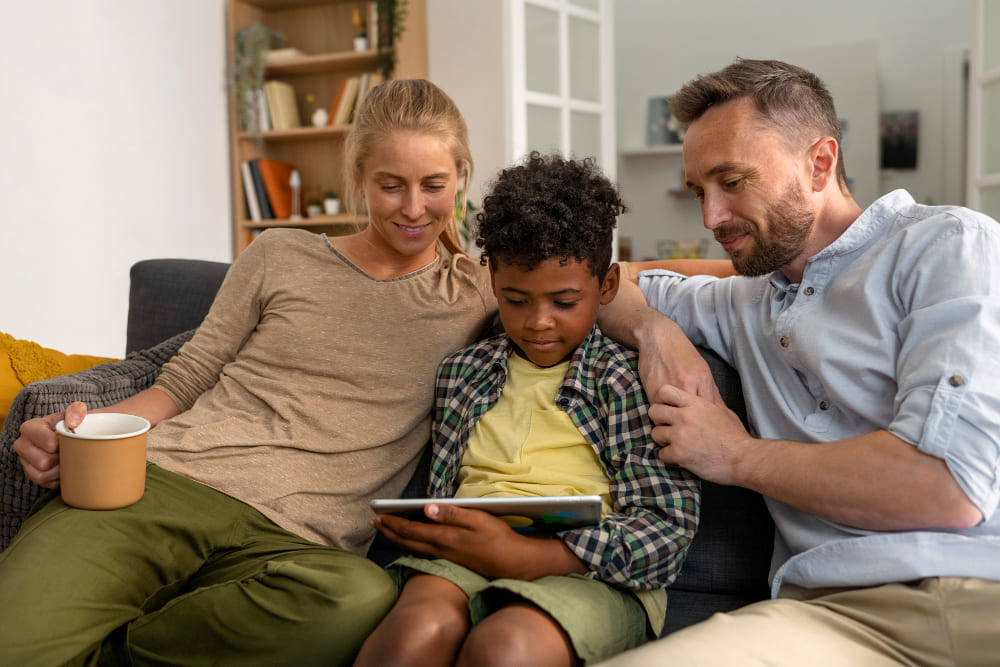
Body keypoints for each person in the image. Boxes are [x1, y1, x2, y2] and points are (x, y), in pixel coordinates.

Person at [0, 79, 500, 666]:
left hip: (300, 547)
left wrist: (644, 331)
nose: (414, 207)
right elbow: (183, 381)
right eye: (391, 185)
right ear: (360, 178)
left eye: (433, 185)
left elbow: (603, 281)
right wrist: (83, 430)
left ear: (462, 178)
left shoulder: (481, 288)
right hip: (162, 485)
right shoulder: (280, 253)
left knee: (356, 597)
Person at [597, 58, 1000, 666]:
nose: (710, 218)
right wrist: (656, 331)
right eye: (699, 191)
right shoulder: (740, 302)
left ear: (819, 163)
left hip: (982, 591)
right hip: (833, 617)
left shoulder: (946, 246)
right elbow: (592, 284)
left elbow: (946, 487)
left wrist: (734, 455)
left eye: (732, 182)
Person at [354, 152, 700, 667]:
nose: (539, 322)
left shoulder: (623, 380)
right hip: (465, 554)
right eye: (516, 300)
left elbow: (667, 527)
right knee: (417, 632)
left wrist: (534, 556)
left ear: (606, 287)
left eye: (563, 302)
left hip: (589, 570)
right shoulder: (461, 373)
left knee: (506, 647)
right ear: (491, 279)